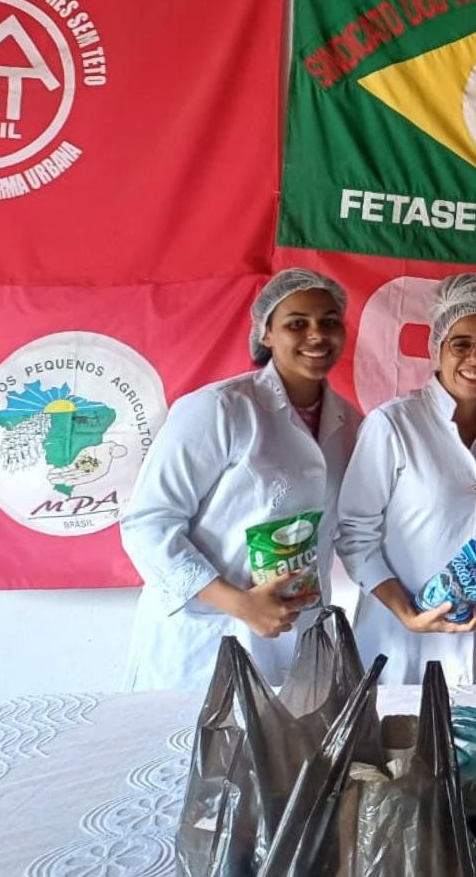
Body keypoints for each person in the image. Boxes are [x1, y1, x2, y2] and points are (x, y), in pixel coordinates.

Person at [121, 268, 361, 690]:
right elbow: (148, 524)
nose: (316, 334)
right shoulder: (219, 409)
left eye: (329, 321)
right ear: (266, 334)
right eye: (296, 323)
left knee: (283, 752)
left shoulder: (349, 423)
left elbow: (351, 529)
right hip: (206, 637)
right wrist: (239, 604)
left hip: (297, 636)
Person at [333, 273, 476, 685]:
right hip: (401, 634)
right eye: (461, 344)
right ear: (437, 348)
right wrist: (406, 611)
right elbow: (353, 533)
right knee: (399, 744)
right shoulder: (393, 423)